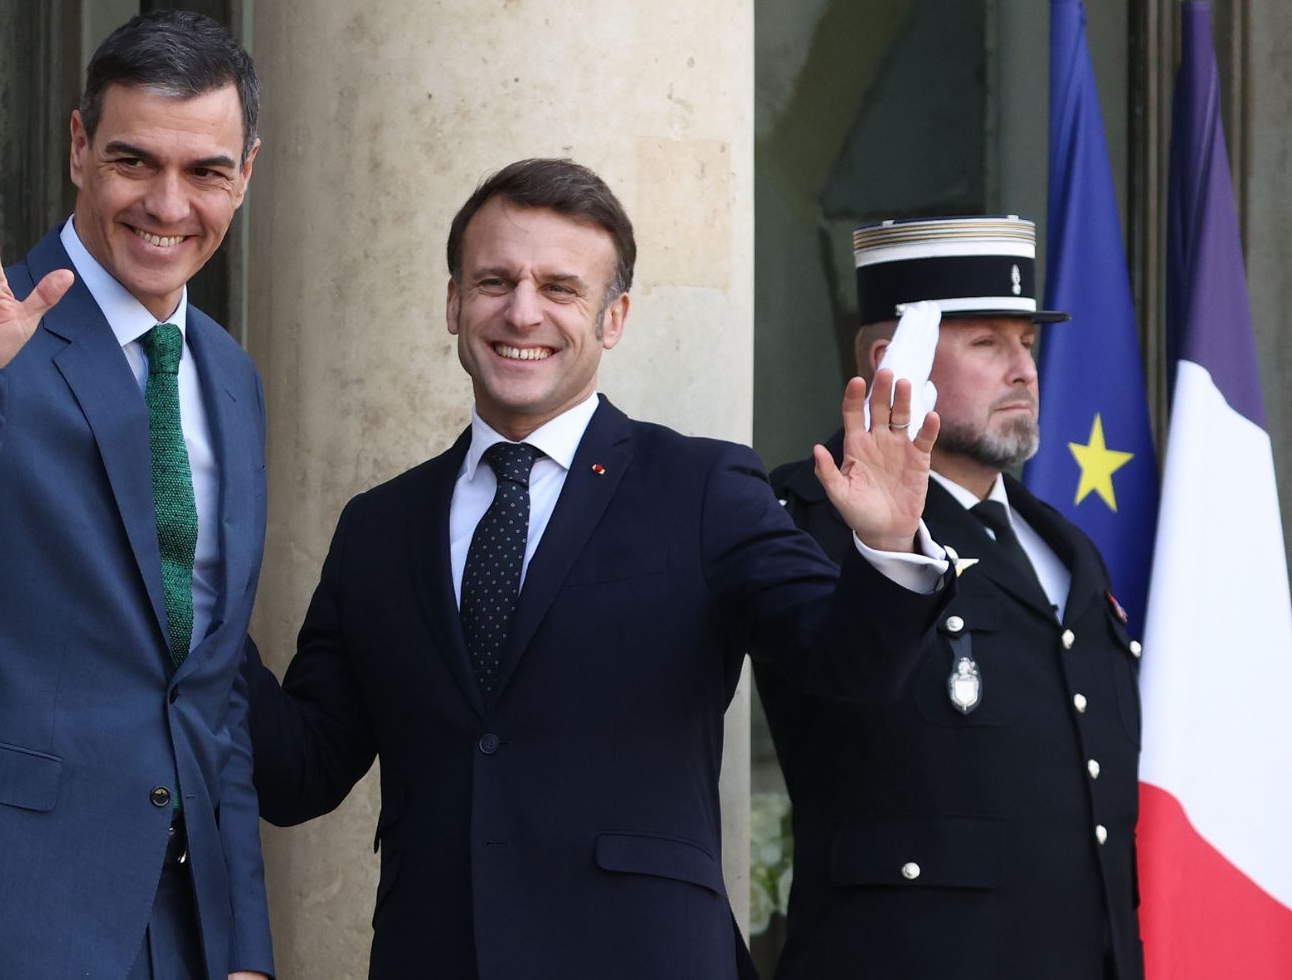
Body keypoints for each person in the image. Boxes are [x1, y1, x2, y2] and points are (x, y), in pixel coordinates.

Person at [241, 158, 954, 979]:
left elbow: (845, 666)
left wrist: (889, 547)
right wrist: (192, 604)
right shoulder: (380, 525)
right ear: (452, 302)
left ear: (613, 318)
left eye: (560, 288)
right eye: (494, 281)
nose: (522, 311)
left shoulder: (701, 488)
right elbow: (299, 773)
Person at [0, 10, 272, 980]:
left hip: (181, 929)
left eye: (205, 170)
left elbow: (209, 687)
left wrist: (242, 944)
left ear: (247, 170)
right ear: (77, 148)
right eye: (133, 160)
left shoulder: (232, 376)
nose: (167, 203)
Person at [762, 216, 1142, 979]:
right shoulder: (808, 518)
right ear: (891, 361)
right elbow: (839, 692)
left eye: (1027, 344)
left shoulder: (1064, 545)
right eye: (986, 343)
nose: (1023, 371)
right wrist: (887, 544)